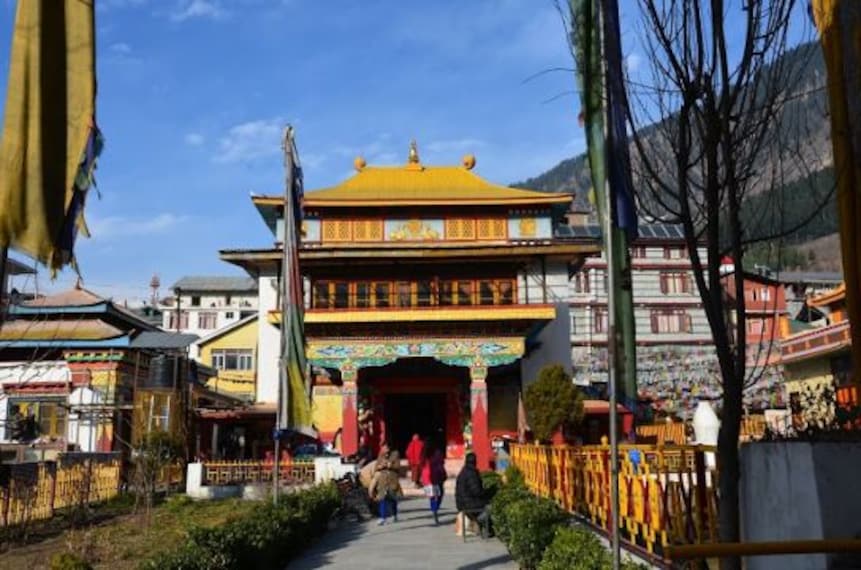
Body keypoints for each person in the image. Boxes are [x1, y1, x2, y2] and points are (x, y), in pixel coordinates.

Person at [455, 452, 491, 538]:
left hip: (461, 503)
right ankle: (485, 529)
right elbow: (477, 492)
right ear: (475, 462)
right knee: (489, 507)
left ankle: (481, 525)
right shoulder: (472, 473)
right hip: (469, 504)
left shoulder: (463, 472)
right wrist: (488, 492)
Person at [369, 449, 402, 525]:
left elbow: (398, 467)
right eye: (384, 449)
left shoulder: (395, 456)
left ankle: (394, 515)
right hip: (383, 481)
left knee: (392, 499)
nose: (385, 450)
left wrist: (391, 466)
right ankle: (383, 518)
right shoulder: (380, 457)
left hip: (392, 480)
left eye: (386, 448)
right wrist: (381, 466)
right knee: (382, 499)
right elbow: (376, 468)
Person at [421, 445, 447, 524]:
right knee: (439, 494)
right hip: (436, 477)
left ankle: (434, 509)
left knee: (432, 496)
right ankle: (435, 509)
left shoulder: (423, 453)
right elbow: (441, 464)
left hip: (426, 478)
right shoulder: (437, 453)